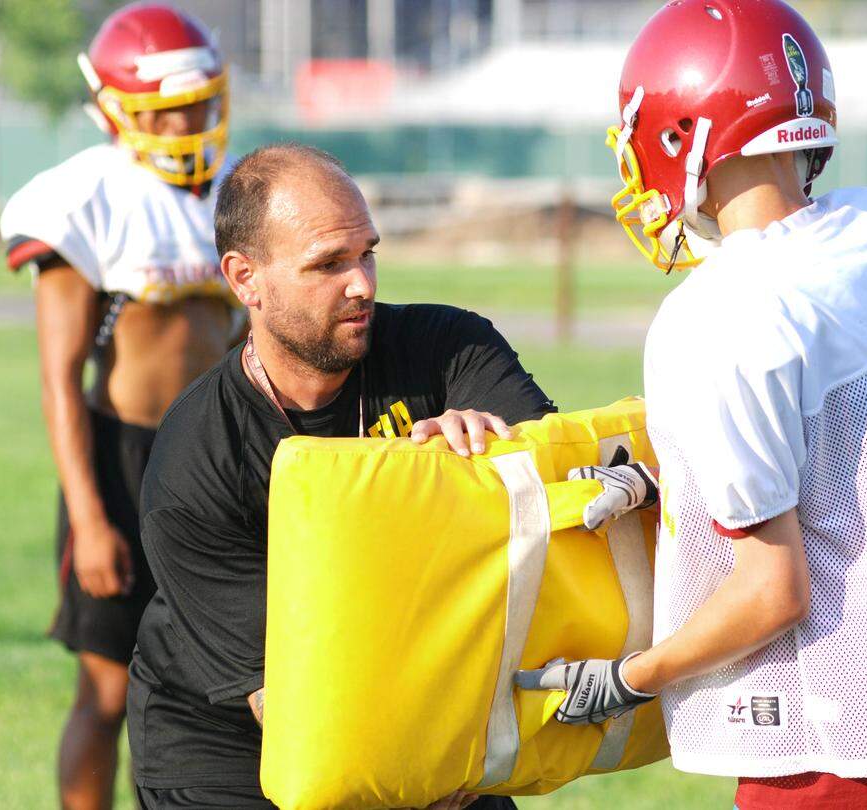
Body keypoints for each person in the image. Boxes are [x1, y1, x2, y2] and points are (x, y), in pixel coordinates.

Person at [517, 2, 867, 808]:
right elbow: (852, 455)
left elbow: (772, 590)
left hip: (839, 752)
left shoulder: (716, 317)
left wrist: (629, 677)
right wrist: (666, 478)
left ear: (682, 135)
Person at [126, 142, 554, 809]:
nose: (363, 285)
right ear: (246, 280)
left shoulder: (449, 352)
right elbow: (297, 706)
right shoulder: (195, 457)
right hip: (234, 746)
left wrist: (483, 461)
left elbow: (567, 499)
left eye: (367, 253)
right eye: (327, 264)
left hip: (429, 698)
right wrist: (434, 764)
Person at [0, 4, 236, 807]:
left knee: (211, 696)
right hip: (125, 461)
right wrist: (91, 517)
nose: (186, 118)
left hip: (221, 460)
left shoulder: (241, 187)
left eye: (199, 99)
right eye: (166, 104)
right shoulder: (84, 198)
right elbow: (61, 378)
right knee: (105, 696)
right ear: (117, 109)